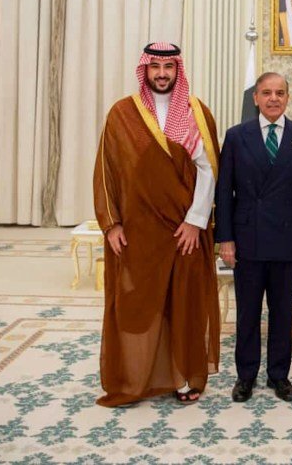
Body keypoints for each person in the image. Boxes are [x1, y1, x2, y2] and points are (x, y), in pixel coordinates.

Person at [93, 42, 220, 407]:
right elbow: (106, 170)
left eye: (169, 68)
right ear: (145, 70)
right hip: (138, 232)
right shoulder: (123, 114)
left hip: (184, 233)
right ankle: (136, 376)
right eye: (155, 67)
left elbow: (209, 170)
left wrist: (196, 221)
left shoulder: (197, 113)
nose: (162, 74)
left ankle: (182, 376)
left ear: (178, 71)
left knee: (184, 304)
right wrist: (111, 223)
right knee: (137, 305)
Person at [215, 72, 292, 403]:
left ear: (288, 98)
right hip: (247, 240)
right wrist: (226, 238)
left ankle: (279, 375)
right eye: (266, 93)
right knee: (247, 313)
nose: (273, 98)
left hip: (288, 240)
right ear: (255, 98)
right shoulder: (236, 136)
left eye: (280, 93)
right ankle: (245, 376)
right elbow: (225, 190)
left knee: (281, 312)